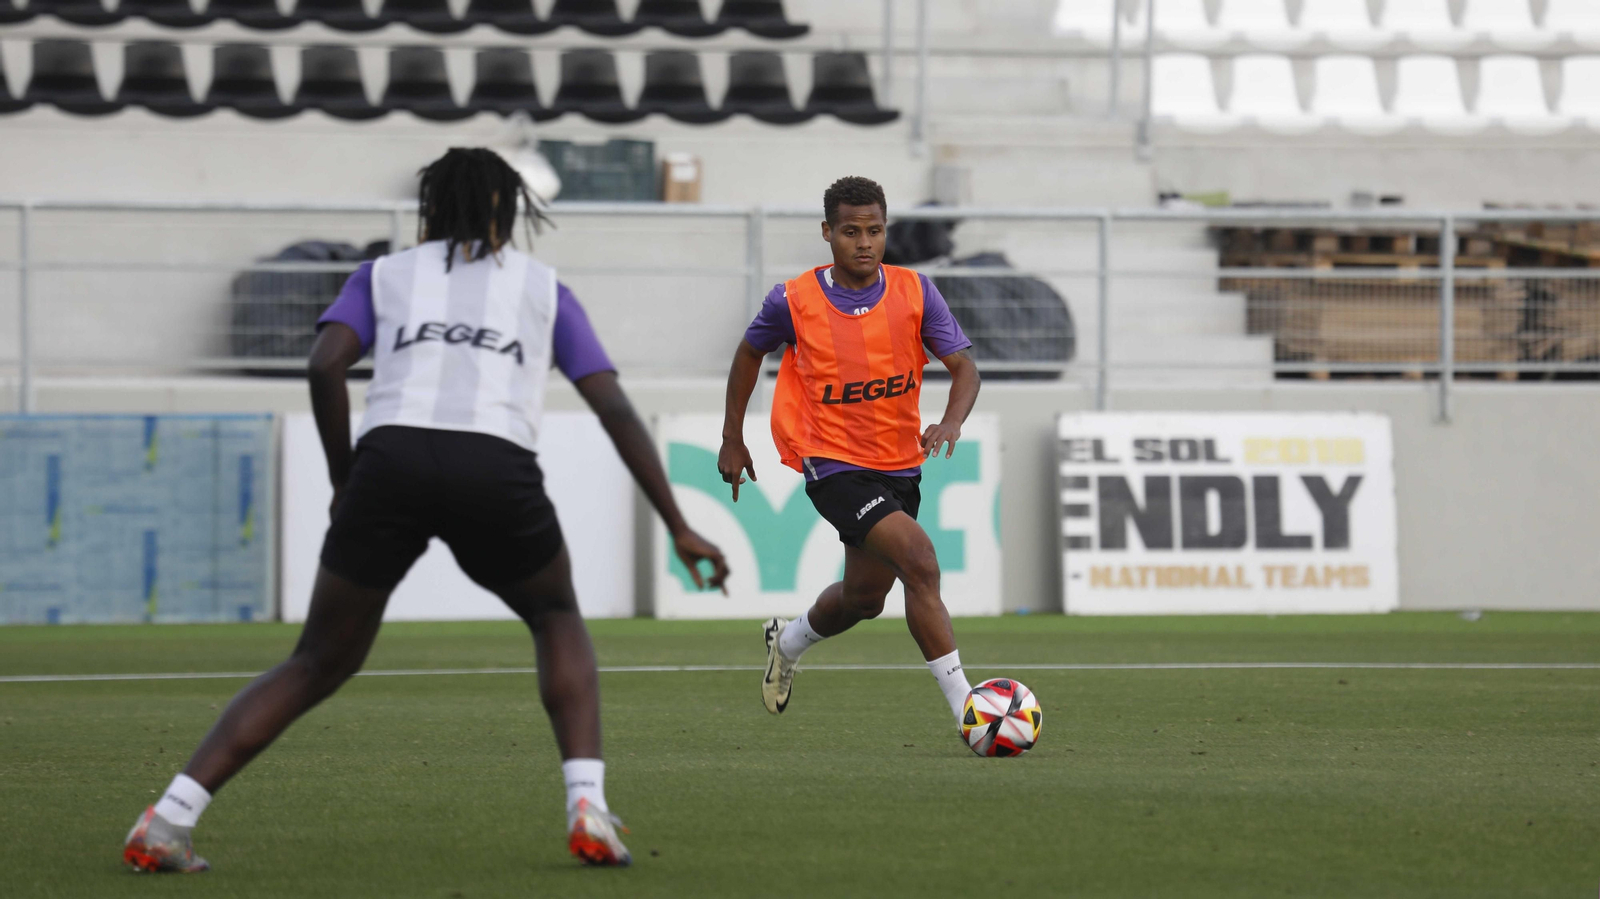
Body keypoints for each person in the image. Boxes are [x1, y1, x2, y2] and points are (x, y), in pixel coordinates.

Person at [123, 148, 729, 873]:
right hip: (494, 466)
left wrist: (346, 479)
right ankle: (587, 806)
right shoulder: (544, 288)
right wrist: (678, 522)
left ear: (431, 209)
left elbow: (324, 365)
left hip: (390, 463)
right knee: (555, 617)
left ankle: (170, 817)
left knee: (319, 659)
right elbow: (614, 408)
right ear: (509, 211)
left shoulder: (381, 274)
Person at [716, 175, 981, 732]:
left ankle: (786, 641)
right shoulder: (793, 300)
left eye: (875, 231)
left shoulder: (915, 290)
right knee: (920, 560)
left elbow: (964, 368)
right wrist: (733, 437)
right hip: (831, 462)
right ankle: (969, 709)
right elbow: (747, 354)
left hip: (899, 464)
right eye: (850, 232)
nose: (864, 243)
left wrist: (951, 419)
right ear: (827, 233)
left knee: (864, 599)